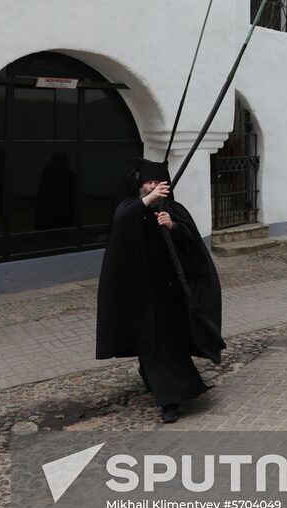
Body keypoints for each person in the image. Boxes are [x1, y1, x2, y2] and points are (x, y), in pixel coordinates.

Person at [95, 159, 225, 423]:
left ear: (165, 186)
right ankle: (168, 400)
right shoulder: (130, 209)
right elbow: (121, 219)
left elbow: (193, 249)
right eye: (148, 183)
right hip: (139, 294)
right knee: (150, 342)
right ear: (140, 186)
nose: (152, 187)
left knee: (167, 343)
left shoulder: (173, 211)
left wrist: (173, 227)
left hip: (169, 294)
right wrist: (149, 200)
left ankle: (169, 393)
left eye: (157, 183)